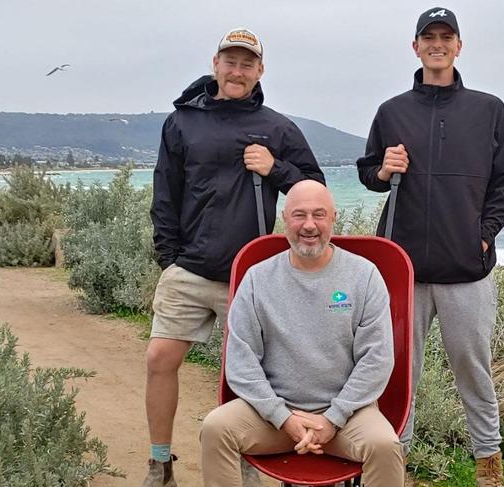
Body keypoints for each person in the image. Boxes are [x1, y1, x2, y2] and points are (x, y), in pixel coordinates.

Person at [145, 28, 325, 487]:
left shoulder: (278, 127)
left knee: (251, 377)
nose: (237, 70)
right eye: (231, 61)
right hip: (189, 268)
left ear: (259, 71)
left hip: (250, 277)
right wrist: (169, 258)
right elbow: (165, 192)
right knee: (159, 359)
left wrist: (274, 168)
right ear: (216, 64)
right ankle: (159, 462)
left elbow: (313, 191)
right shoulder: (182, 122)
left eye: (247, 64)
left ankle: (251, 461)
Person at [357, 7, 504, 487]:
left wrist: (484, 233)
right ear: (415, 47)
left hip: (466, 269)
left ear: (458, 45)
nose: (437, 43)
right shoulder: (392, 111)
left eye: (445, 36)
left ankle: (488, 465)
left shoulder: (489, 109)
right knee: (397, 371)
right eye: (428, 36)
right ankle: (395, 464)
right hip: (404, 268)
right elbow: (369, 174)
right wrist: (385, 170)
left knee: (473, 369)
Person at [199, 180, 405, 487]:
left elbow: (376, 360)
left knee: (385, 447)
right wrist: (284, 418)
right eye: (299, 215)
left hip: (347, 418)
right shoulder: (258, 279)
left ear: (334, 217)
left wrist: (333, 419)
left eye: (319, 215)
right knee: (216, 428)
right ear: (285, 219)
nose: (309, 225)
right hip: (272, 418)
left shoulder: (364, 276)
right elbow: (241, 362)